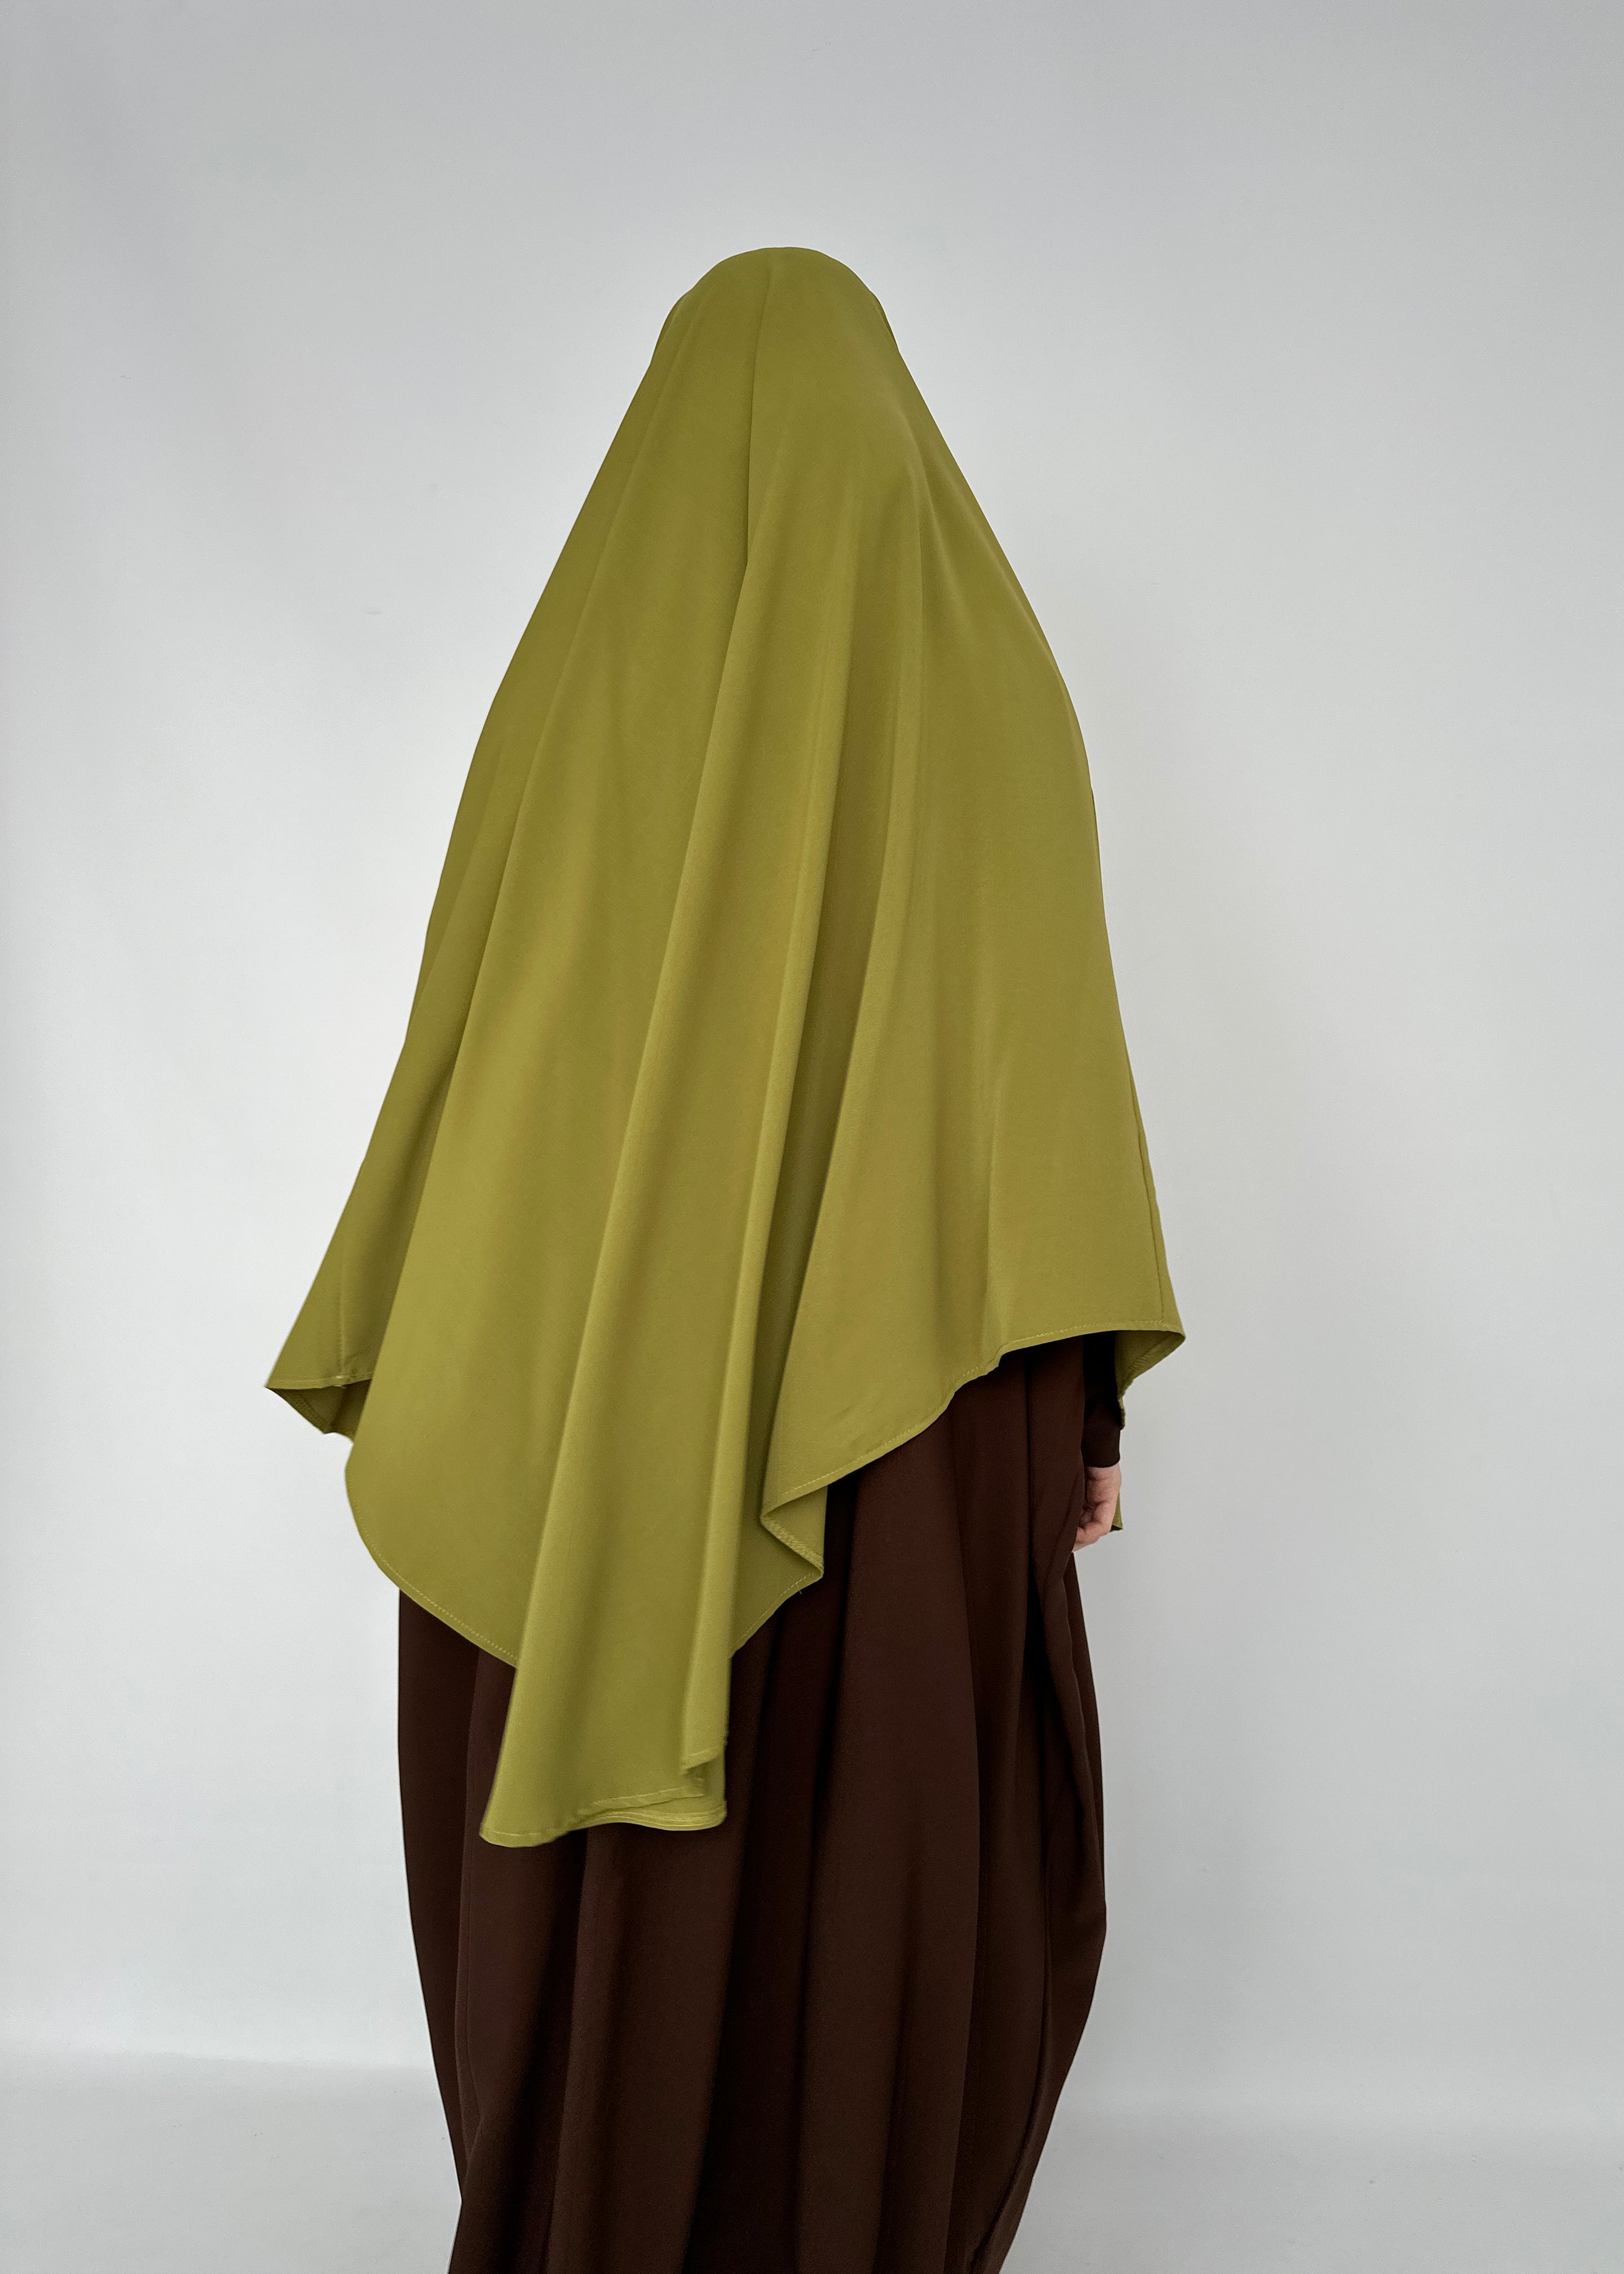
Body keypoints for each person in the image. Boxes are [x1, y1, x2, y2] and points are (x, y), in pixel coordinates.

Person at [265, 245, 1183, 2273]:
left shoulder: (577, 685)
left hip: (585, 1409)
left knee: (626, 1825)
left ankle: (594, 2199)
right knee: (881, 1832)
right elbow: (1039, 1082)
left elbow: (485, 1063)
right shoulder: (991, 688)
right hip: (910, 1416)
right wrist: (1089, 1417)